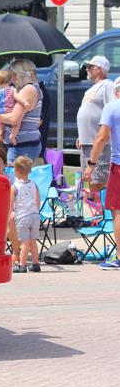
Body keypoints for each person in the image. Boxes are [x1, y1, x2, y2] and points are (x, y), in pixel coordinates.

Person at [84, 75, 120, 269]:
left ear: (116, 92)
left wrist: (91, 163)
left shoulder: (112, 108)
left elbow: (101, 138)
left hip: (119, 165)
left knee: (118, 212)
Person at [76, 55, 115, 203]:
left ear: (99, 70)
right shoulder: (92, 89)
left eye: (90, 67)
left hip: (99, 143)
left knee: (101, 179)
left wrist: (103, 134)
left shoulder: (108, 85)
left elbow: (111, 110)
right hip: (87, 142)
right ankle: (96, 215)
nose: (87, 69)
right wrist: (81, 135)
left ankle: (103, 215)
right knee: (91, 179)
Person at [0, 58, 43, 165]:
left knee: (14, 178)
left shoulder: (28, 89)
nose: (12, 78)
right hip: (23, 145)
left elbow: (14, 119)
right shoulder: (29, 88)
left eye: (13, 74)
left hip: (22, 146)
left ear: (19, 74)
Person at [10, 156, 41, 273]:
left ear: (16, 171)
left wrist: (11, 214)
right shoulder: (34, 184)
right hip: (35, 216)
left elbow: (11, 203)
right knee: (33, 240)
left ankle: (22, 265)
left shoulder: (14, 187)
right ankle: (36, 263)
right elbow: (38, 200)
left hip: (22, 217)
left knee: (24, 242)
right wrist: (36, 211)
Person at [0, 70, 30, 146]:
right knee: (17, 124)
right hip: (10, 111)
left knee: (1, 122)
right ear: (9, 81)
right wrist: (25, 103)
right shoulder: (12, 90)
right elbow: (17, 97)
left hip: (1, 111)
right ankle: (12, 136)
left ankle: (1, 132)